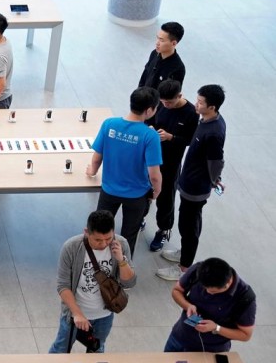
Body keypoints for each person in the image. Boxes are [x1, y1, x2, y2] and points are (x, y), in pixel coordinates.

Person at [157, 85, 227, 281]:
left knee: (189, 227)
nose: (195, 104)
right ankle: (184, 255)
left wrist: (215, 180)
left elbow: (216, 161)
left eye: (200, 102)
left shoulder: (213, 132)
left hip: (196, 187)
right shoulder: (205, 120)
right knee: (185, 223)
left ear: (212, 107)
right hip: (188, 181)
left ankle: (184, 269)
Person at [86, 86, 163, 255]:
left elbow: (97, 157)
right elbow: (154, 175)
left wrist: (92, 170)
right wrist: (156, 191)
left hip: (109, 190)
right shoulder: (150, 136)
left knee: (100, 230)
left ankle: (96, 261)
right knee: (129, 235)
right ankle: (122, 270)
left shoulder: (109, 124)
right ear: (149, 110)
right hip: (136, 196)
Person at [48, 210, 136, 354]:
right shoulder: (72, 247)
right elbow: (63, 286)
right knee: (60, 350)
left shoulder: (121, 244)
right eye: (98, 240)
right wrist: (77, 313)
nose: (103, 244)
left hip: (104, 315)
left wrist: (121, 260)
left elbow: (129, 283)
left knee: (96, 351)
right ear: (86, 232)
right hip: (74, 314)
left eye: (108, 239)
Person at [146, 80, 199, 252]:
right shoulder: (159, 104)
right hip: (151, 156)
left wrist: (171, 137)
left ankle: (163, 229)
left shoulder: (191, 113)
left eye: (170, 102)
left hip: (171, 162)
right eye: (163, 102)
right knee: (144, 190)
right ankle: (140, 217)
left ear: (180, 96)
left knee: (166, 198)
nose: (166, 105)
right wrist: (152, 130)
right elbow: (149, 120)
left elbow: (191, 140)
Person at [163, 257, 255, 353]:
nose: (207, 293)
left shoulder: (244, 297)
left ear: (227, 284)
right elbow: (177, 290)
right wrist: (188, 305)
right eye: (204, 287)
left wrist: (216, 328)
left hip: (207, 351)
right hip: (179, 337)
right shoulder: (199, 270)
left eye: (213, 291)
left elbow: (245, 335)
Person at [138, 21, 185, 89]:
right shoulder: (154, 53)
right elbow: (145, 75)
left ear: (174, 43)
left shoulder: (178, 68)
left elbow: (170, 97)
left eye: (161, 40)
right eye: (157, 38)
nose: (157, 43)